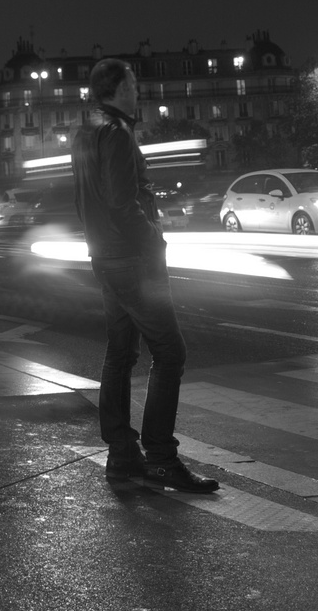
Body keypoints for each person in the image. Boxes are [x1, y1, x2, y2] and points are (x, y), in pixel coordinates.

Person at [72, 58, 218, 493]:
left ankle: (121, 454)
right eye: (133, 84)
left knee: (120, 354)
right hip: (132, 260)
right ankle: (160, 456)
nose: (139, 91)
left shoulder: (86, 131)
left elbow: (88, 201)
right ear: (117, 89)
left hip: (107, 256)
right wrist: (152, 238)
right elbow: (121, 201)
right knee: (169, 352)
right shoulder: (115, 133)